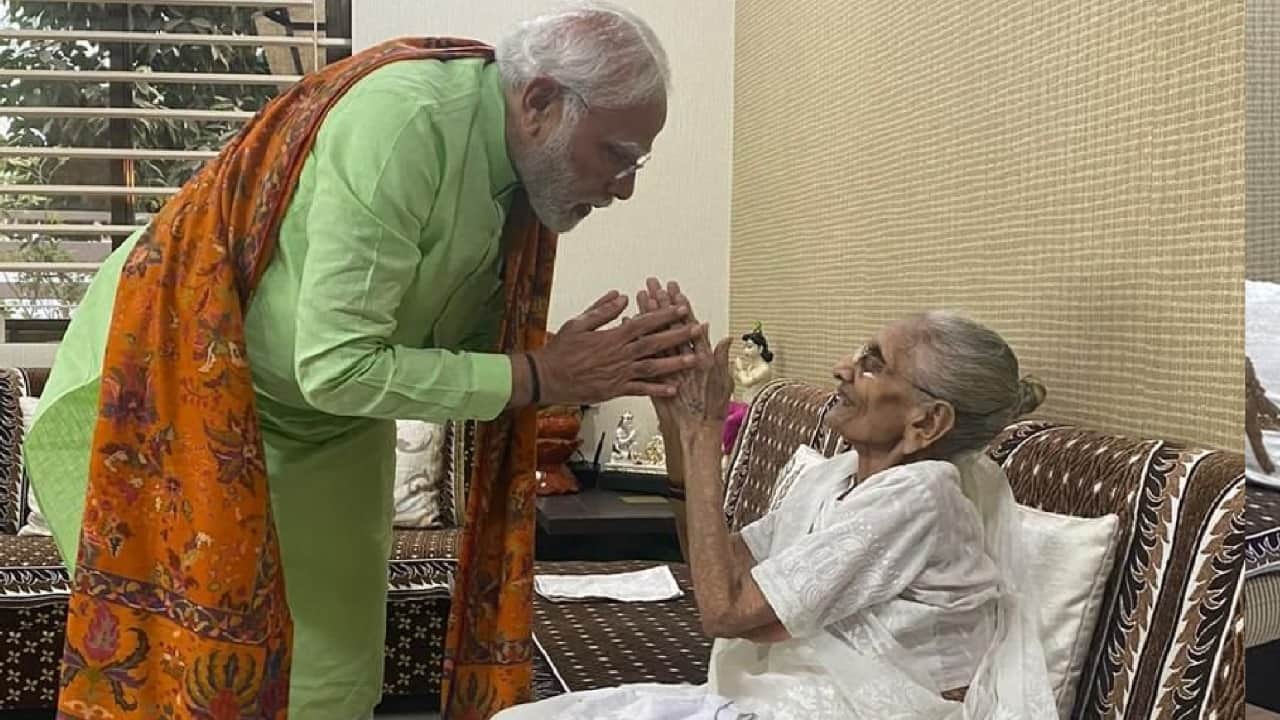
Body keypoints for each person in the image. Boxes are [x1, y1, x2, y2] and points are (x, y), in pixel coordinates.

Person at [26, 5, 697, 719]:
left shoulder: (519, 179)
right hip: (167, 384)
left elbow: (429, 361)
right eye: (617, 155)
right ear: (538, 103)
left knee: (336, 679)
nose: (624, 187)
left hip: (325, 420)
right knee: (191, 673)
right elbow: (337, 365)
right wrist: (540, 374)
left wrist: (587, 359)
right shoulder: (404, 123)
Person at [497, 283, 1057, 719]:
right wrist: (676, 427)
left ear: (928, 421)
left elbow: (725, 612)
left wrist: (703, 434)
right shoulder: (839, 477)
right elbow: (726, 567)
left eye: (873, 363)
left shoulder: (924, 494)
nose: (843, 367)